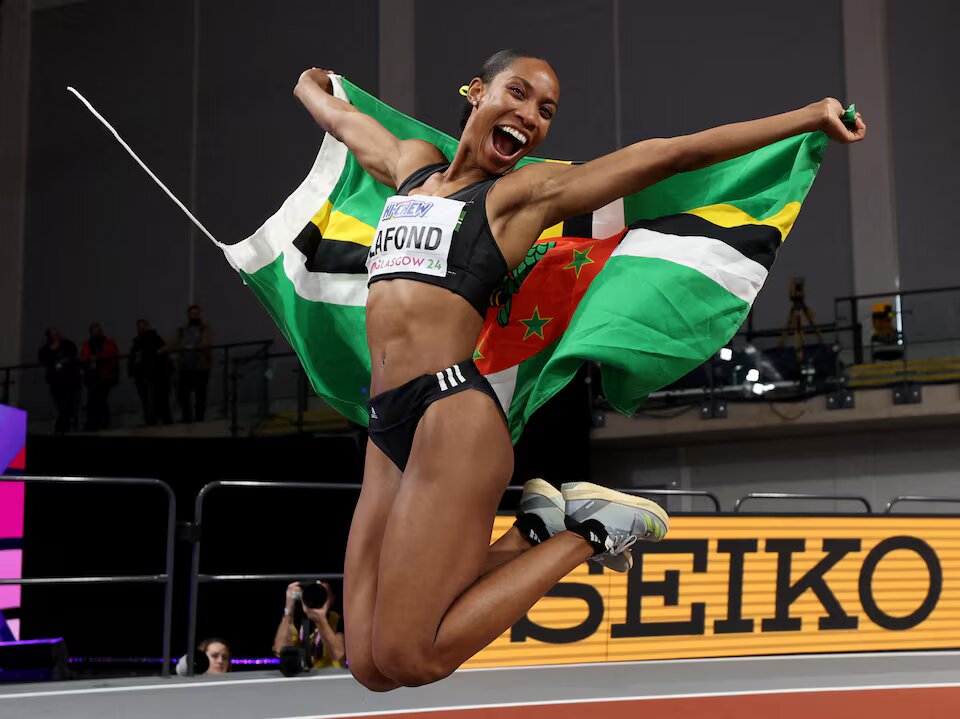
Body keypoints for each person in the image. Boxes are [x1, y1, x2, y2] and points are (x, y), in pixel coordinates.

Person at [293, 49, 866, 690]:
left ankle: (590, 534)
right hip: (385, 426)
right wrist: (312, 88)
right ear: (476, 92)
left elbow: (669, 155)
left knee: (413, 658)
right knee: (370, 665)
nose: (531, 116)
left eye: (545, 111)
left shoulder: (518, 198)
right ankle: (535, 527)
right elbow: (345, 124)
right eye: (517, 93)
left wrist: (807, 117)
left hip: (448, 416)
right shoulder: (410, 171)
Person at [273, 581, 346, 670]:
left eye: (323, 594)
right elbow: (280, 649)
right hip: (305, 679)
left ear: (332, 598)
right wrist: (289, 609)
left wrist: (320, 620)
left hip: (334, 678)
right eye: (314, 594)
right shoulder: (297, 620)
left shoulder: (339, 620)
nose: (318, 598)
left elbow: (337, 654)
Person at [165, 305, 213, 423]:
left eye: (196, 314)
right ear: (189, 315)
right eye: (192, 314)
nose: (194, 316)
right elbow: (173, 342)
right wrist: (159, 351)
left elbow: (206, 342)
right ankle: (187, 418)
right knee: (184, 396)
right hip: (186, 368)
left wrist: (199, 346)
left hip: (201, 368)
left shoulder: (204, 329)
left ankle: (199, 419)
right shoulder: (183, 330)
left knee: (200, 396)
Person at [129, 319, 173, 425]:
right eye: (139, 327)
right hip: (144, 375)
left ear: (147, 326)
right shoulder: (138, 341)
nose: (140, 329)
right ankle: (154, 421)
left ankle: (155, 421)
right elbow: (133, 358)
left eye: (142, 326)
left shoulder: (153, 338)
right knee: (149, 401)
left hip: (154, 375)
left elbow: (160, 353)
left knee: (155, 400)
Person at [37, 328, 80, 433]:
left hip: (70, 379)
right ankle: (62, 426)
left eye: (58, 334)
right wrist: (52, 351)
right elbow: (44, 360)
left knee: (68, 404)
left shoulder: (68, 344)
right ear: (49, 337)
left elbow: (71, 356)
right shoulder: (45, 349)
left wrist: (62, 361)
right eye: (54, 335)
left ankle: (63, 426)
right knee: (60, 404)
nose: (57, 336)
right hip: (55, 381)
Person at [79, 322, 120, 430]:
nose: (97, 333)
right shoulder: (87, 344)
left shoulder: (109, 343)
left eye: (98, 331)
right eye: (95, 331)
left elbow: (112, 356)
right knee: (94, 401)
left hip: (104, 376)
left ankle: (100, 423)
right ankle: (95, 423)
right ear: (91, 332)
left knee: (100, 400)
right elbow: (83, 358)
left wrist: (98, 358)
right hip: (92, 377)